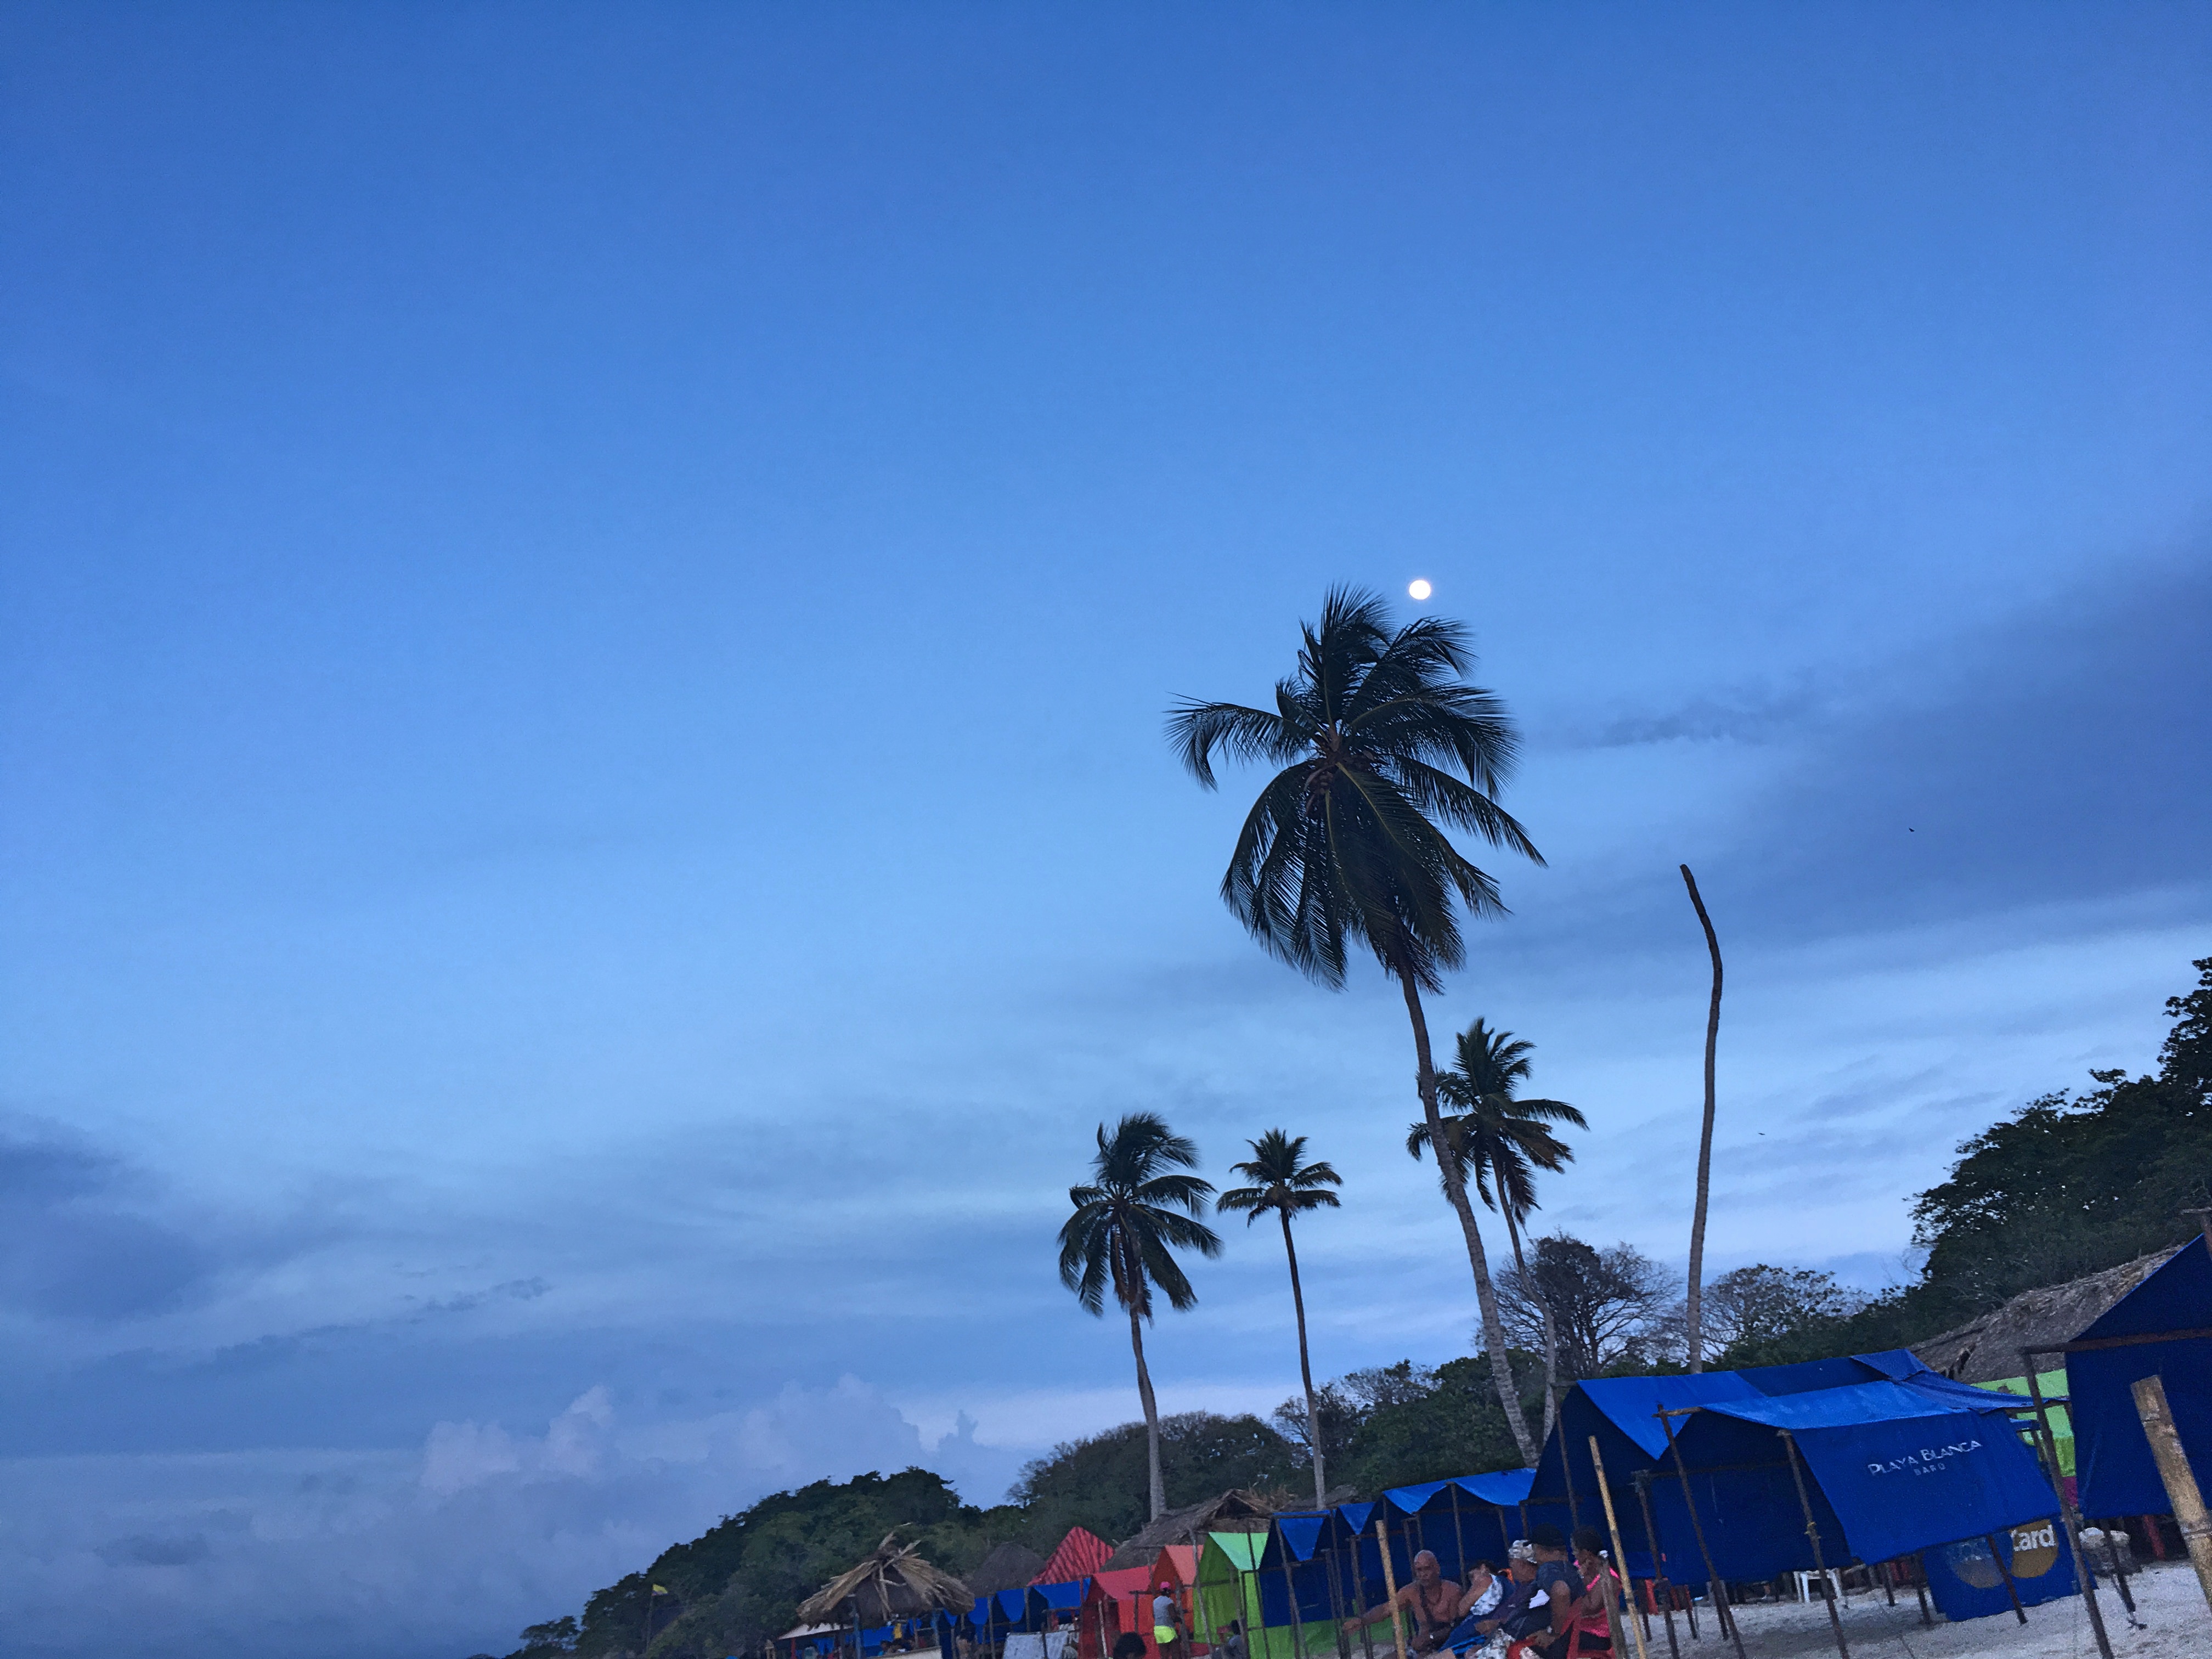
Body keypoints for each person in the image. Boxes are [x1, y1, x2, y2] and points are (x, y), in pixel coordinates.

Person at [1343, 1549, 1464, 1652]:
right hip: (1423, 1648)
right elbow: (1386, 1609)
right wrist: (1362, 1620)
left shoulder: (1453, 1591)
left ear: (1437, 1569)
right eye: (1419, 1570)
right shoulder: (1411, 1591)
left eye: (1427, 1569)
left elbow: (1457, 1627)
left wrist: (1430, 1638)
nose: (1423, 1575)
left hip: (1450, 1646)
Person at [1514, 1525, 1586, 1658]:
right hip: (1540, 1646)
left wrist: (1552, 1633)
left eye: (1534, 1549)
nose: (1534, 1555)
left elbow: (1561, 1591)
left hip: (1534, 1649)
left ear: (1541, 1550)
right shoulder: (1569, 1570)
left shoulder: (1549, 1569)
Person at [1153, 1583, 1182, 1658]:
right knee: (1175, 1651)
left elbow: (1154, 1615)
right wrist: (1180, 1619)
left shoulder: (1155, 1601)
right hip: (1167, 1629)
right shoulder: (1169, 1601)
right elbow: (1173, 1616)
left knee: (1164, 1654)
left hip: (1157, 1629)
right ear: (1169, 1591)